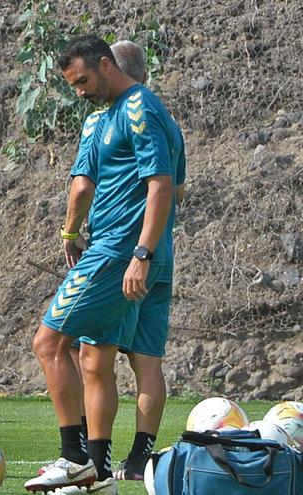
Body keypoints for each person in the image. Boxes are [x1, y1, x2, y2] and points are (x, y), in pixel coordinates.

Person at [24, 35, 182, 495]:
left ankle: (76, 460)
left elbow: (161, 186)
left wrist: (138, 252)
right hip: (139, 254)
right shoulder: (142, 115)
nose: (79, 91)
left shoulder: (137, 110)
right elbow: (176, 188)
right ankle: (101, 468)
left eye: (82, 81)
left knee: (51, 343)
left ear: (107, 65)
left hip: (118, 253)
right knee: (101, 356)